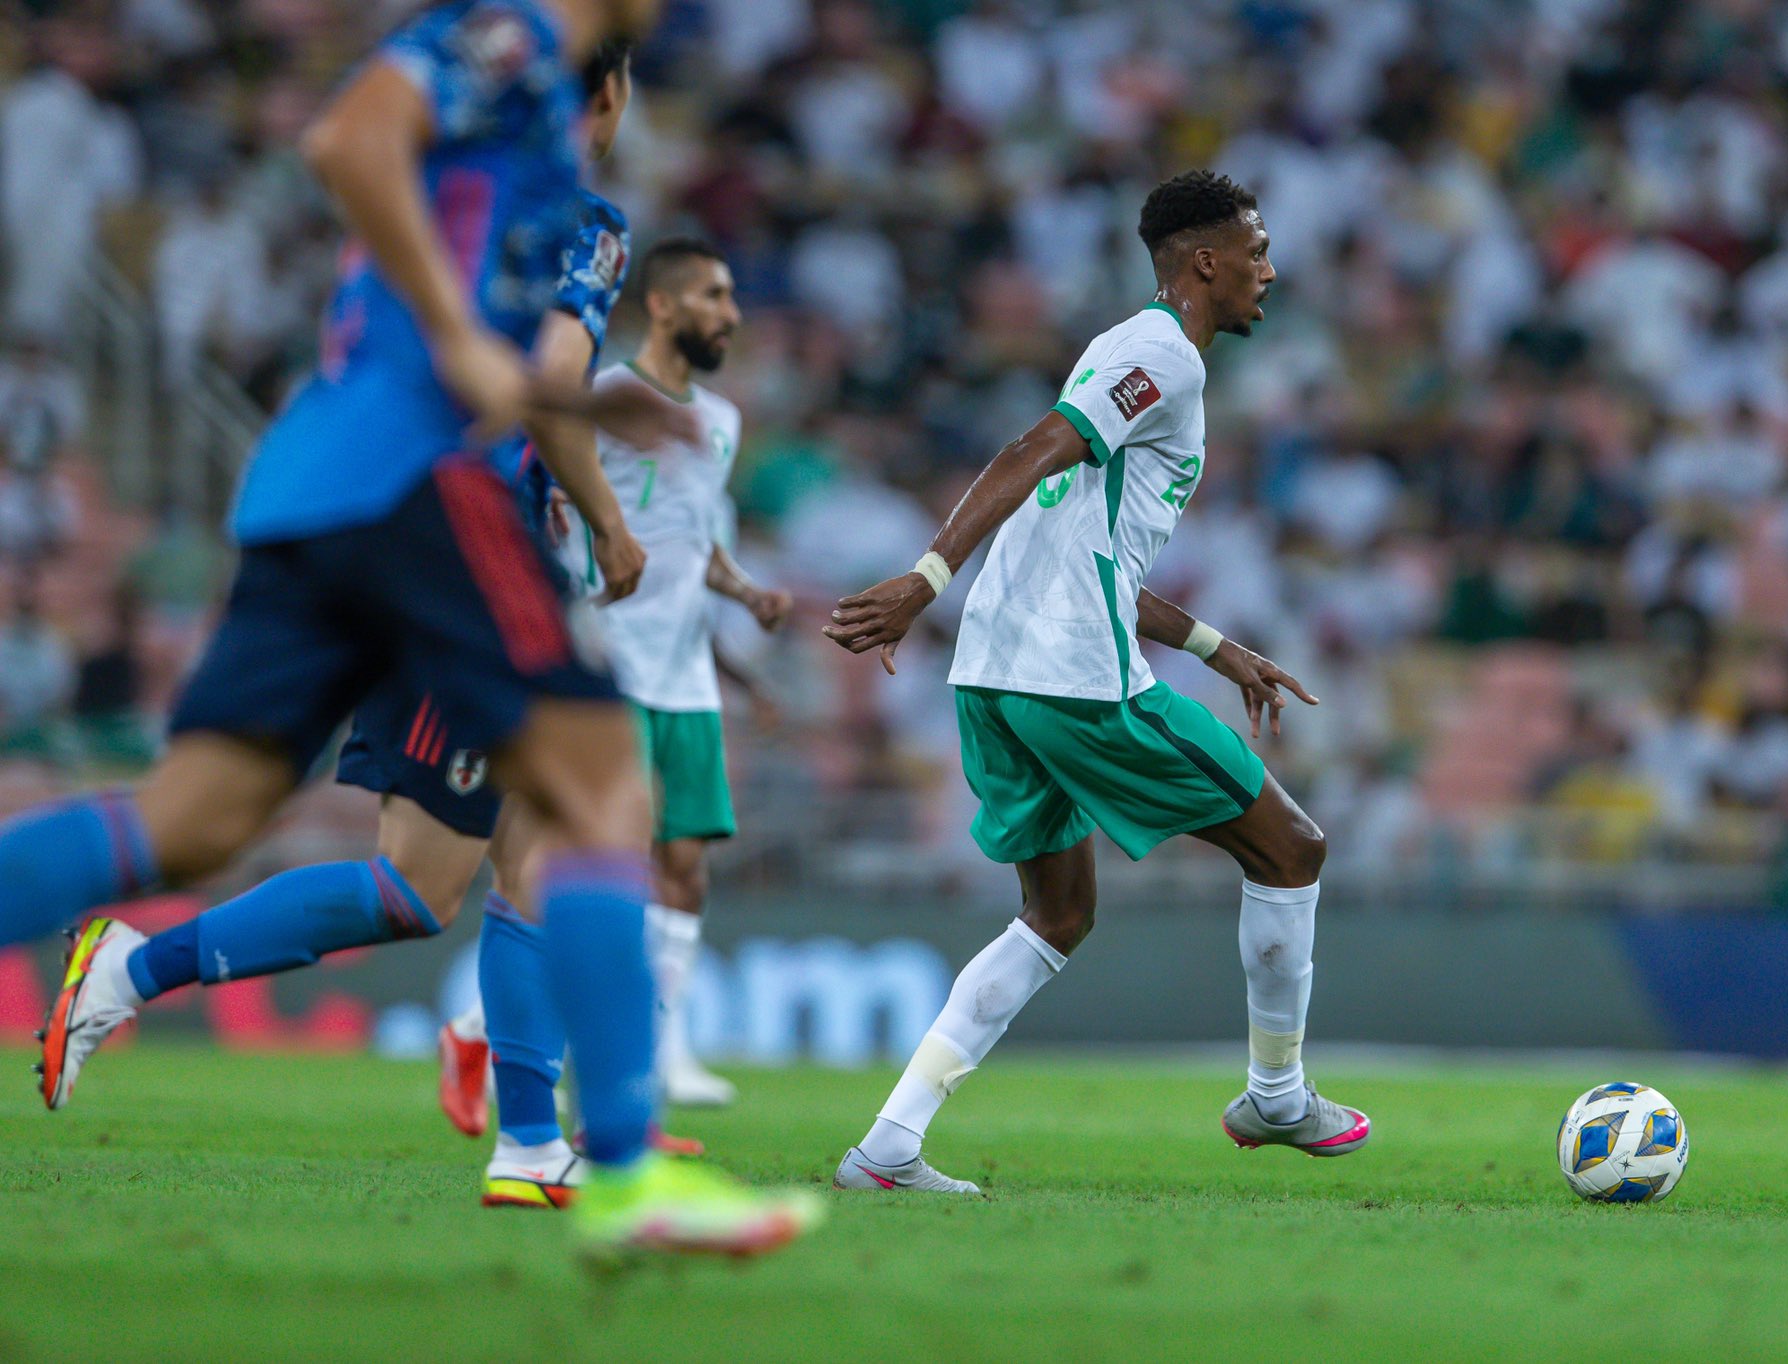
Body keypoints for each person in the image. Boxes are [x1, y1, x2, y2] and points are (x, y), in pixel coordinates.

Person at [4, 0, 816, 1256]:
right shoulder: (523, 50)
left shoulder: (533, 162)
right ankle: (606, 1164)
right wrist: (499, 392)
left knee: (194, 817)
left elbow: (531, 361)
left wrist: (557, 424)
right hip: (431, 486)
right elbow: (350, 141)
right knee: (595, 789)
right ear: (611, 96)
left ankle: (540, 1142)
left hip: (316, 478)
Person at [822, 170, 1368, 1194]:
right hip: (1072, 677)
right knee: (1291, 846)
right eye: (1254, 248)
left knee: (1055, 914)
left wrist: (1216, 646)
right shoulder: (1160, 354)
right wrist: (924, 578)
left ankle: (887, 1145)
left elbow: (1086, 545)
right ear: (1204, 258)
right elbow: (1033, 447)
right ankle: (1276, 1093)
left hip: (996, 674)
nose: (1269, 268)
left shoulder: (1122, 353)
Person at [444, 235, 791, 1122]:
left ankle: (658, 1049)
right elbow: (569, 508)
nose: (732, 313)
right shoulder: (601, 399)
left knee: (686, 870)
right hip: (615, 663)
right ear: (666, 305)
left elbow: (689, 530)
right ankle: (507, 1026)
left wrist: (744, 594)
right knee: (611, 866)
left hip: (687, 676)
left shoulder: (721, 418)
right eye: (715, 295)